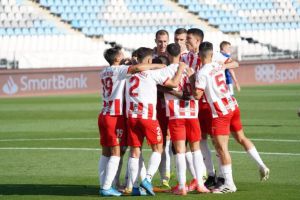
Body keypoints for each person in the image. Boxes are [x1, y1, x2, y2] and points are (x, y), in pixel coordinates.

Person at [98, 46, 165, 196]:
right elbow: (139, 67)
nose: (124, 56)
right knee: (116, 153)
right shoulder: (120, 70)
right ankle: (107, 187)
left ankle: (104, 184)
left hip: (103, 113)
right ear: (116, 59)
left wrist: (128, 62)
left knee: (106, 153)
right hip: (115, 116)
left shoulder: (103, 71)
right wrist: (158, 65)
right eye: (121, 55)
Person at [125, 47, 187, 196]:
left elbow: (138, 67)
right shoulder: (153, 74)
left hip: (132, 117)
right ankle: (147, 179)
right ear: (148, 60)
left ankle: (133, 187)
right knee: (158, 149)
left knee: (135, 152)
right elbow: (173, 84)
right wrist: (180, 69)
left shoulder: (127, 73)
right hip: (147, 117)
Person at [162, 43, 210, 195]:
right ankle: (201, 184)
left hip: (176, 115)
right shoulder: (190, 69)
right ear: (180, 54)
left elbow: (160, 86)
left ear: (168, 54)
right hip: (192, 114)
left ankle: (182, 186)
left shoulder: (166, 71)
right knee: (196, 150)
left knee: (180, 151)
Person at [194, 41, 239, 193]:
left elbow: (197, 95)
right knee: (221, 147)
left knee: (221, 147)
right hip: (230, 105)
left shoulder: (202, 72)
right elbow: (233, 65)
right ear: (212, 54)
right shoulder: (217, 65)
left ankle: (229, 183)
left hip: (219, 112)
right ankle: (225, 180)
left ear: (199, 56)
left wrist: (191, 79)